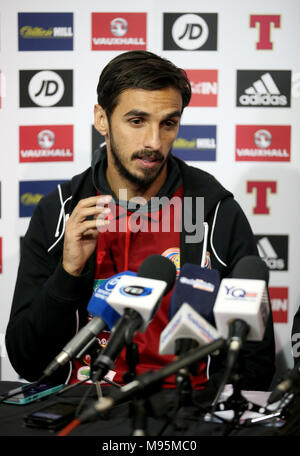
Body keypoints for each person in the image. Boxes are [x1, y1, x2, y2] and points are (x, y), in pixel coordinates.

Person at [6, 51, 275, 392]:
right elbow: (27, 362)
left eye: (168, 123)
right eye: (137, 121)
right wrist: (68, 272)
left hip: (183, 411)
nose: (154, 142)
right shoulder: (61, 211)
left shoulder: (213, 211)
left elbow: (255, 358)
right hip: (83, 403)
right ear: (101, 119)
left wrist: (197, 412)